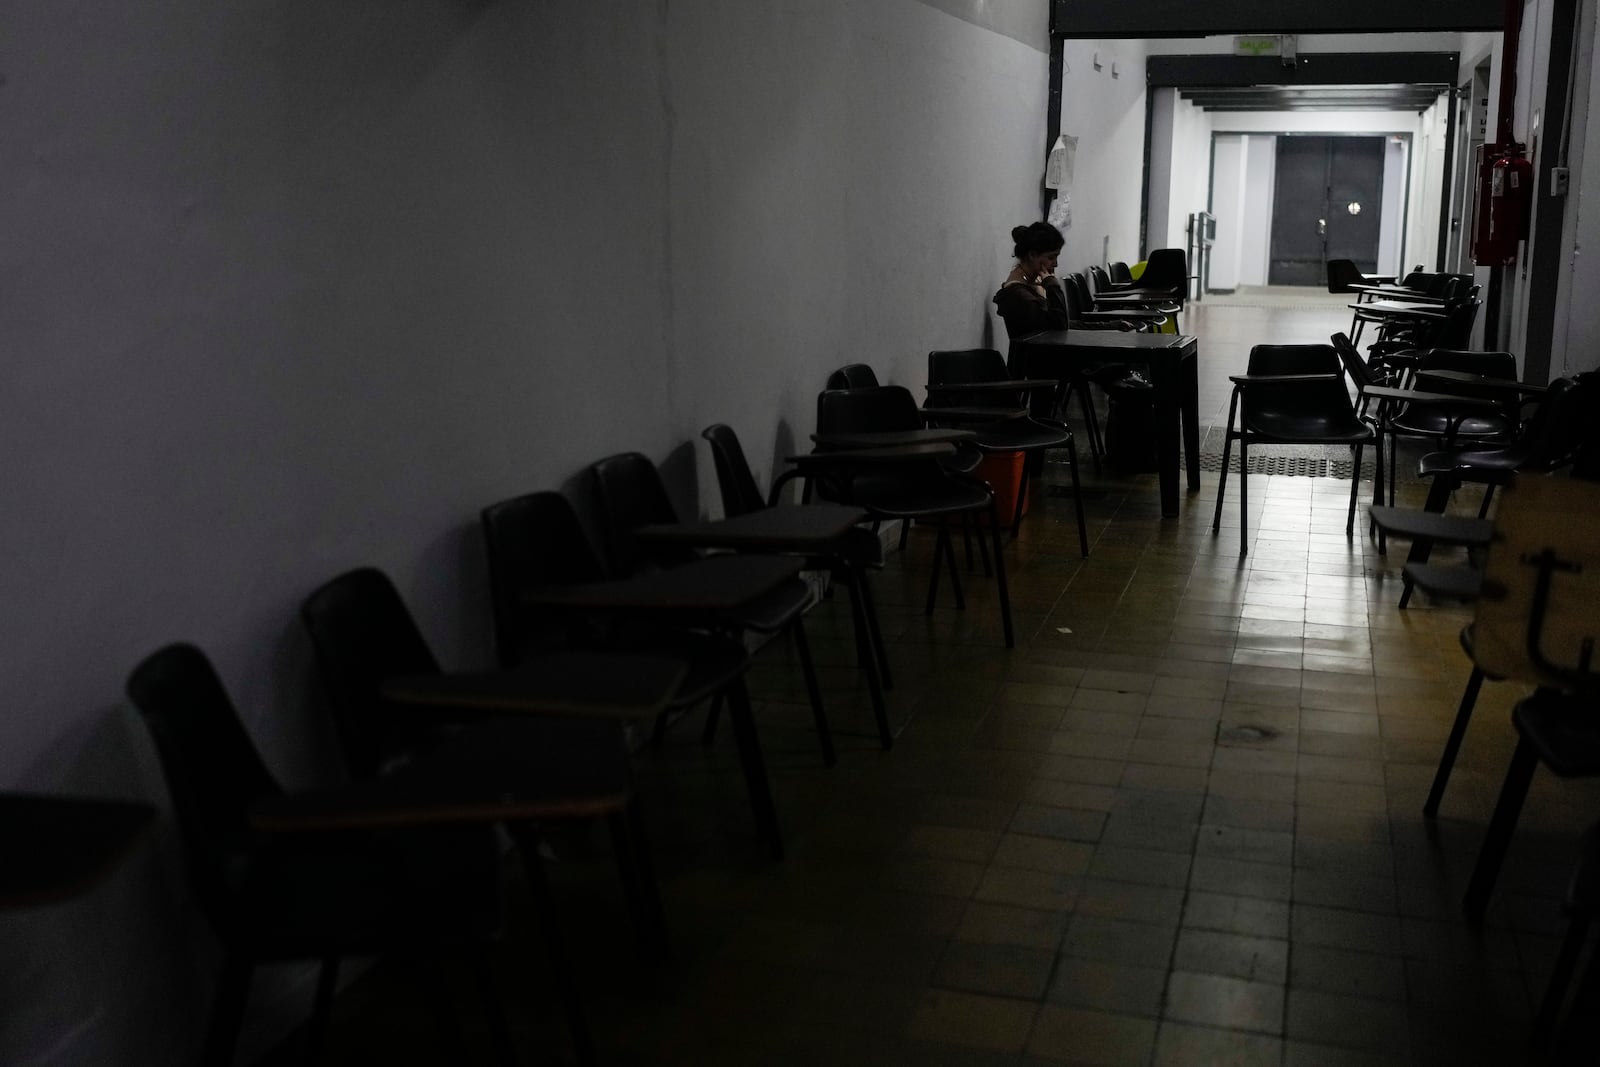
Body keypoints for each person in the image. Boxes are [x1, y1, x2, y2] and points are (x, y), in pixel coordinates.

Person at [992, 221, 1070, 340]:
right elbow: (1059, 328)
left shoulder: (1032, 282)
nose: (1056, 264)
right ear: (1032, 255)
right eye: (1051, 257)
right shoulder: (1017, 294)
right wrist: (1052, 285)